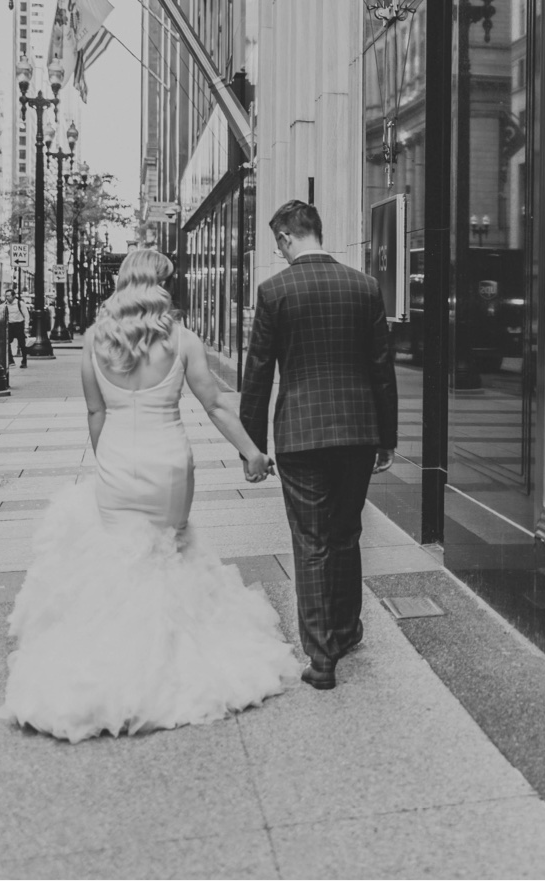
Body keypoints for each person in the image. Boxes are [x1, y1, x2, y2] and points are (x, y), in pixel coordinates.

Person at [0, 249, 299, 741]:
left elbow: (95, 415)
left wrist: (108, 464)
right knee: (168, 554)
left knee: (124, 559)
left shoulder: (96, 342)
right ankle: (171, 659)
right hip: (170, 464)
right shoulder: (183, 341)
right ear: (162, 285)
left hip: (116, 462)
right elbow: (216, 405)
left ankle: (117, 662)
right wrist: (251, 452)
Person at [242, 200, 400, 690]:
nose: (279, 253)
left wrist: (251, 445)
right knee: (347, 533)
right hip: (356, 431)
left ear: (288, 237)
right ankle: (348, 631)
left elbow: (258, 375)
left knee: (310, 540)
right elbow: (381, 368)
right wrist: (387, 437)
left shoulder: (274, 292)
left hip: (301, 435)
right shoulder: (364, 286)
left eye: (277, 245)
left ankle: (321, 655)